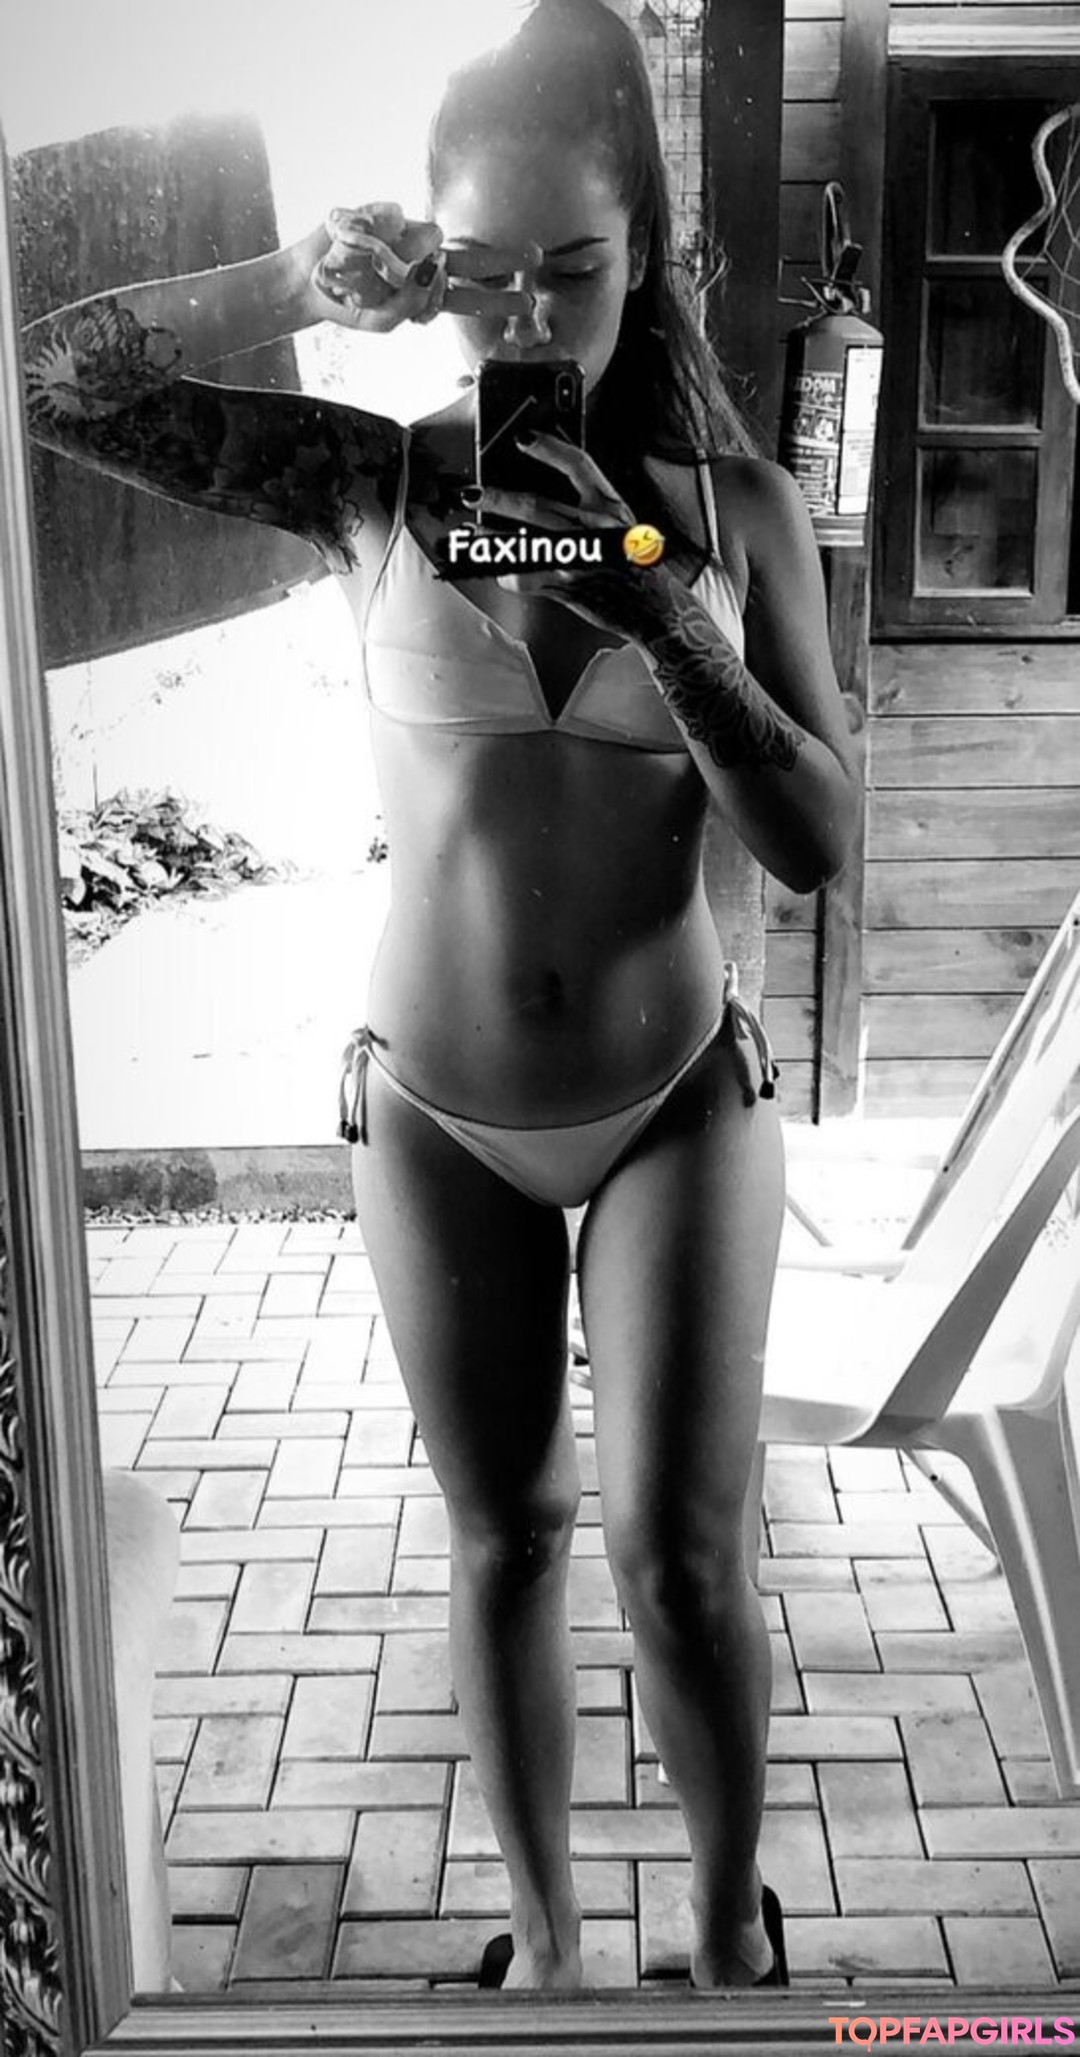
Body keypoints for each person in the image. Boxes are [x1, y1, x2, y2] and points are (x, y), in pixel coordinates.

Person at [23, 0, 857, 1992]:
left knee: (680, 1555)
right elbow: (54, 376)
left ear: (646, 251)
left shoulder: (738, 517)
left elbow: (817, 841)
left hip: (675, 1098)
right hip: (436, 1107)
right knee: (506, 1535)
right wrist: (294, 281)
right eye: (485, 274)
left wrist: (663, 613)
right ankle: (549, 1950)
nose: (531, 321)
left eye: (575, 268)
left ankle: (724, 1948)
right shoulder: (369, 485)